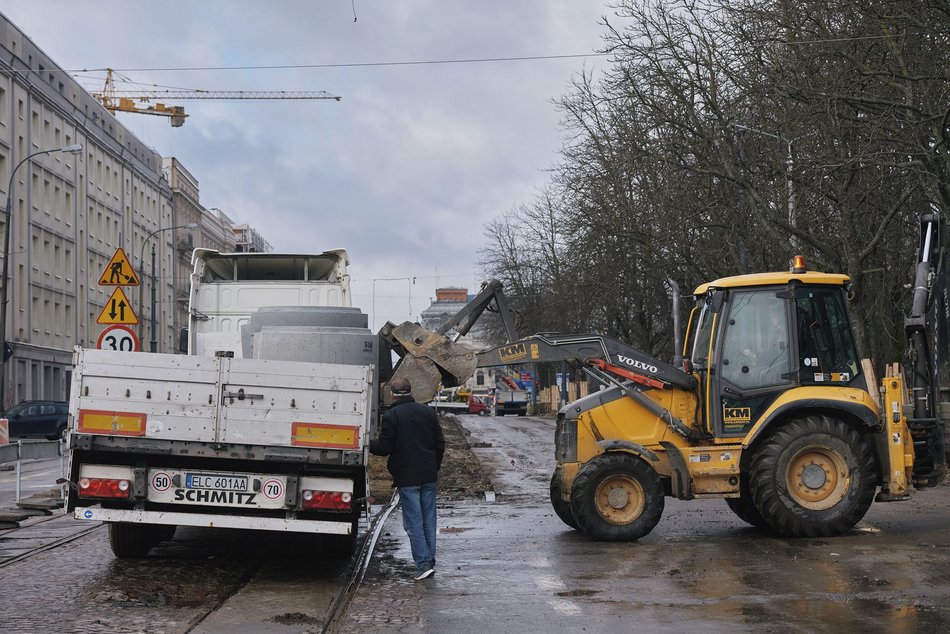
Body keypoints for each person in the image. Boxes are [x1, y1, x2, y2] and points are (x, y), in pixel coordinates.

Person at [370, 377, 445, 581]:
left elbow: (385, 448)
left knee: (413, 523)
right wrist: (434, 467)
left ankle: (422, 565)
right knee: (429, 520)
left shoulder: (392, 416)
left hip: (407, 477)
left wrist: (368, 443)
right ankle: (429, 561)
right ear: (411, 391)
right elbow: (440, 444)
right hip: (428, 474)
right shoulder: (427, 412)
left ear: (392, 394)